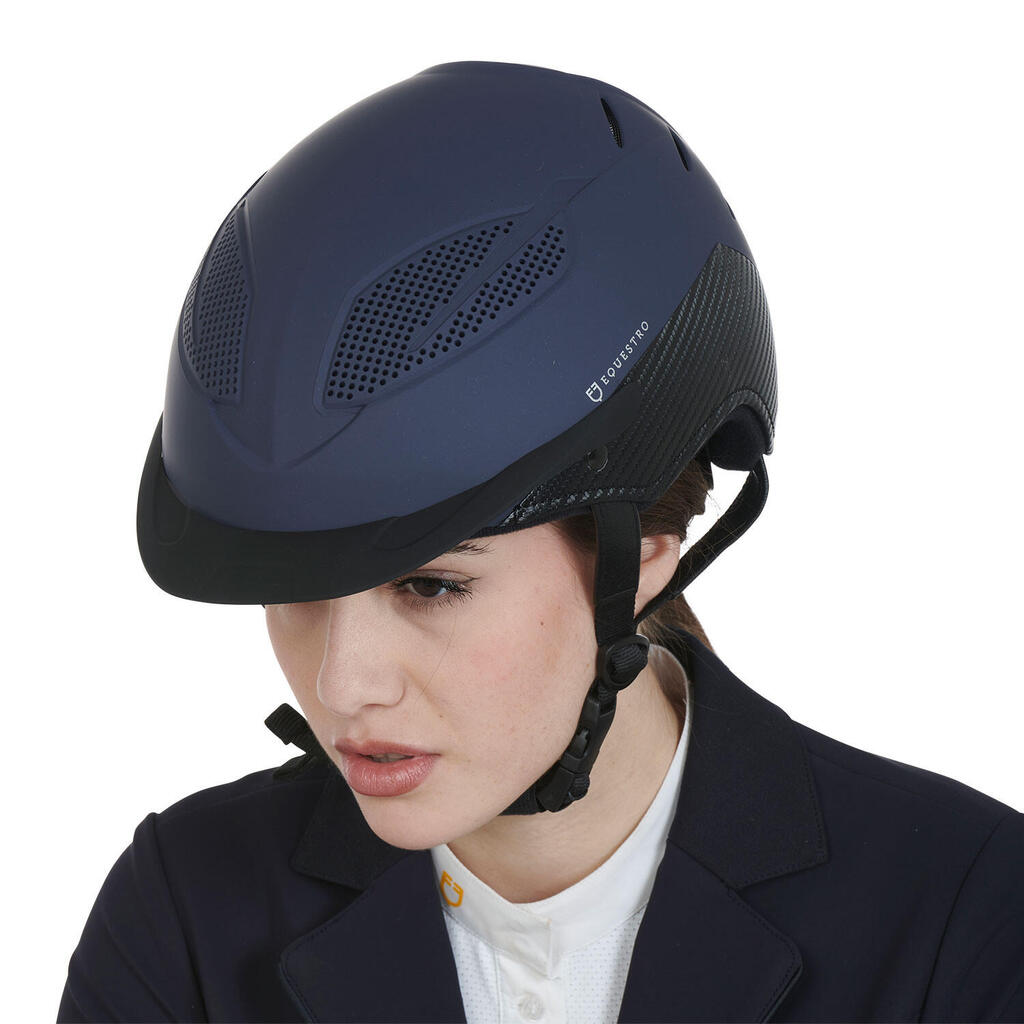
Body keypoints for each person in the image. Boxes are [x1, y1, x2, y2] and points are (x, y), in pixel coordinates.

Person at [57, 60, 1023, 1024]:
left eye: (431, 586)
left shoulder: (968, 917)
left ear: (646, 546)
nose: (343, 685)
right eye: (296, 583)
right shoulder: (182, 919)